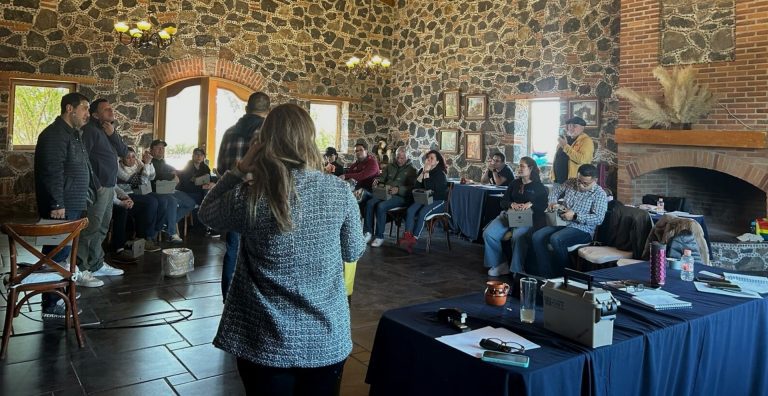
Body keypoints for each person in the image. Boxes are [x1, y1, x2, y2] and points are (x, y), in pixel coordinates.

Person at [198, 103, 365, 395]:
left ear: (264, 143)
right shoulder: (340, 192)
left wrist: (240, 168)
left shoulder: (251, 195)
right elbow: (353, 252)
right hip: (324, 337)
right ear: (309, 140)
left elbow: (207, 212)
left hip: (263, 340)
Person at [34, 92, 101, 318]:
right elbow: (51, 171)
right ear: (69, 109)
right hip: (60, 207)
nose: (88, 114)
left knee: (65, 254)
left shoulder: (73, 135)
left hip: (73, 204)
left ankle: (60, 291)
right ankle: (51, 304)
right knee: (55, 255)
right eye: (84, 108)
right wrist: (56, 204)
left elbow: (83, 167)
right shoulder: (54, 135)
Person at [215, 91, 270, 301]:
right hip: (260, 199)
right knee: (260, 251)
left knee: (232, 248)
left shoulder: (229, 132)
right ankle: (254, 299)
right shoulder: (267, 134)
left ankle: (228, 297)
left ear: (246, 109)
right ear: (268, 110)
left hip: (232, 198)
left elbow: (221, 168)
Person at [79, 98, 129, 277]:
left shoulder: (109, 130)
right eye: (106, 109)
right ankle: (82, 268)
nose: (111, 111)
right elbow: (82, 160)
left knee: (102, 227)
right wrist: (97, 185)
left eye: (111, 108)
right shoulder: (90, 130)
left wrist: (113, 134)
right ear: (94, 114)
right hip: (97, 188)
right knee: (90, 228)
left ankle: (96, 264)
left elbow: (124, 152)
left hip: (110, 187)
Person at [530, 164, 607, 278]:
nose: (580, 185)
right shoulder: (571, 182)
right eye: (579, 181)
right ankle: (546, 275)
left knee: (556, 239)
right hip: (562, 222)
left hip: (583, 229)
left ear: (595, 180)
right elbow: (554, 192)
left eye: (585, 183)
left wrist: (575, 216)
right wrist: (552, 202)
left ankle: (565, 276)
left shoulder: (600, 194)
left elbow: (599, 219)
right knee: (537, 236)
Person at [482, 157, 548, 276]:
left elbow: (543, 206)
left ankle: (516, 269)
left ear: (531, 168)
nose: (519, 169)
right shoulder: (514, 183)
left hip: (526, 219)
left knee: (518, 236)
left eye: (522, 166)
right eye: (519, 166)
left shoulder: (539, 187)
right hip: (509, 215)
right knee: (488, 233)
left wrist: (530, 204)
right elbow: (503, 201)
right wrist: (512, 204)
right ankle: (499, 264)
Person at [363, 147, 417, 247]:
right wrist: (377, 180)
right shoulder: (389, 166)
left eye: (402, 158)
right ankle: (368, 232)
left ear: (407, 157)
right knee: (369, 203)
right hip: (386, 192)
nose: (399, 160)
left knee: (381, 206)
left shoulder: (412, 170)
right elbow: (382, 178)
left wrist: (398, 189)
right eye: (398, 157)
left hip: (401, 197)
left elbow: (412, 188)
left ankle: (379, 236)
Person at [398, 150, 448, 254]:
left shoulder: (440, 174)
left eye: (432, 158)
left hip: (438, 200)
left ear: (437, 161)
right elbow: (417, 186)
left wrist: (426, 173)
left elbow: (431, 189)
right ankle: (407, 236)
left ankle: (414, 239)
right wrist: (423, 172)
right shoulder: (423, 170)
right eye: (428, 158)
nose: (429, 160)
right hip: (425, 198)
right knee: (411, 210)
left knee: (422, 213)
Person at [114, 147, 162, 254]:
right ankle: (141, 238)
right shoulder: (118, 167)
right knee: (150, 202)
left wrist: (149, 164)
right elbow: (138, 182)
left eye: (133, 157)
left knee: (152, 202)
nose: (131, 159)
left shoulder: (138, 163)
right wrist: (146, 164)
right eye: (128, 157)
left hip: (135, 194)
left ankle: (143, 238)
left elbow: (152, 176)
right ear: (122, 158)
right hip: (121, 195)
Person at [149, 139, 196, 242]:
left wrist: (174, 172)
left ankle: (166, 223)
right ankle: (172, 233)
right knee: (172, 201)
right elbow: (156, 175)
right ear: (151, 150)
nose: (161, 150)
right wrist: (172, 175)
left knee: (191, 203)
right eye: (158, 148)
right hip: (157, 191)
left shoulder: (162, 162)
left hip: (169, 189)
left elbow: (167, 170)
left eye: (163, 148)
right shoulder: (149, 161)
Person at [551, 116, 594, 184]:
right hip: (557, 180)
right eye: (569, 126)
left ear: (582, 128)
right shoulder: (565, 139)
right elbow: (557, 157)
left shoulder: (587, 141)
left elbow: (583, 160)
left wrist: (565, 146)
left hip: (573, 182)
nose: (570, 128)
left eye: (574, 126)